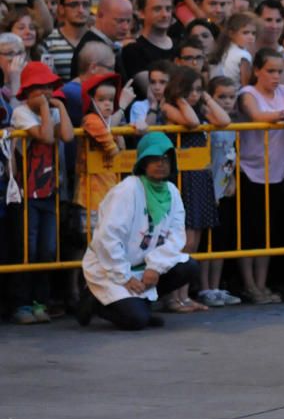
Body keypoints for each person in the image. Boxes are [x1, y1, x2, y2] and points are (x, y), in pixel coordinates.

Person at [76, 132, 200, 330]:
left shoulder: (172, 191)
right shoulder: (127, 190)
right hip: (111, 268)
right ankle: (93, 300)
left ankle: (141, 305)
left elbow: (176, 237)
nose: (161, 164)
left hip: (144, 267)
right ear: (143, 162)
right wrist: (124, 276)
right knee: (136, 321)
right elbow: (108, 237)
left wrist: (155, 267)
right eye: (154, 159)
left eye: (166, 159)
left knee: (190, 267)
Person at [161, 65, 231, 313]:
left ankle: (185, 295)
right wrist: (180, 99)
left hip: (200, 175)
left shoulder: (199, 107)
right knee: (183, 240)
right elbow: (190, 123)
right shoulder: (169, 107)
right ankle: (173, 297)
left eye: (198, 90)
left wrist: (207, 98)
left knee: (195, 239)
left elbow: (224, 120)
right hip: (182, 176)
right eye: (191, 90)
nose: (195, 94)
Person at [10, 62, 74, 324]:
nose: (46, 92)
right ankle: (22, 304)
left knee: (47, 249)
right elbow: (47, 136)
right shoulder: (21, 113)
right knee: (27, 248)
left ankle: (40, 302)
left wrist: (59, 106)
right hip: (26, 193)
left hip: (49, 191)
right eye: (40, 89)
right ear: (27, 92)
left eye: (49, 88)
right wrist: (47, 108)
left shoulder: (51, 109)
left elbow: (67, 136)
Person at [237, 48, 284, 304]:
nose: (276, 77)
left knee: (267, 234)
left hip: (276, 171)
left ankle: (261, 285)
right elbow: (257, 116)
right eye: (271, 71)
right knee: (249, 232)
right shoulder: (247, 93)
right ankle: (249, 285)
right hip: (249, 170)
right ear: (258, 71)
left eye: (279, 72)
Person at [201, 75, 241, 307]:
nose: (227, 102)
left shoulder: (233, 125)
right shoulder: (210, 121)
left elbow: (230, 154)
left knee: (220, 241)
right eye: (221, 97)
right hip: (207, 187)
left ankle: (216, 286)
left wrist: (232, 178)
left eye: (231, 97)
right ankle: (204, 287)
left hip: (223, 185)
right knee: (207, 240)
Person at [73, 72, 127, 233]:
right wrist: (122, 109)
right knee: (93, 242)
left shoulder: (109, 123)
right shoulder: (91, 120)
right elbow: (114, 150)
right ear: (91, 101)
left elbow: (122, 148)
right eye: (101, 100)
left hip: (110, 190)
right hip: (91, 196)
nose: (108, 104)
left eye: (111, 100)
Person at [121, 0, 175, 94]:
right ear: (141, 13)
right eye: (157, 9)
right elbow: (153, 91)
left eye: (168, 9)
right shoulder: (133, 51)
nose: (165, 14)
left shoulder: (181, 46)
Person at [70, 0, 132, 78]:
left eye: (128, 21)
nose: (126, 27)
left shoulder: (106, 44)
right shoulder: (92, 48)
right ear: (100, 15)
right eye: (119, 21)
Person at [45, 0, 91, 80]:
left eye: (85, 4)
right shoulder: (48, 41)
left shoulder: (98, 40)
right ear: (61, 9)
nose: (81, 10)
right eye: (74, 5)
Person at [210, 12, 257, 86]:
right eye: (245, 33)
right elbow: (246, 84)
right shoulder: (244, 55)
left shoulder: (226, 48)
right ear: (231, 34)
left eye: (253, 33)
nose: (251, 37)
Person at [128, 60, 172, 130]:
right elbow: (145, 134)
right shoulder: (138, 106)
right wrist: (153, 107)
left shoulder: (177, 105)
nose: (157, 87)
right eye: (153, 82)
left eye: (162, 82)